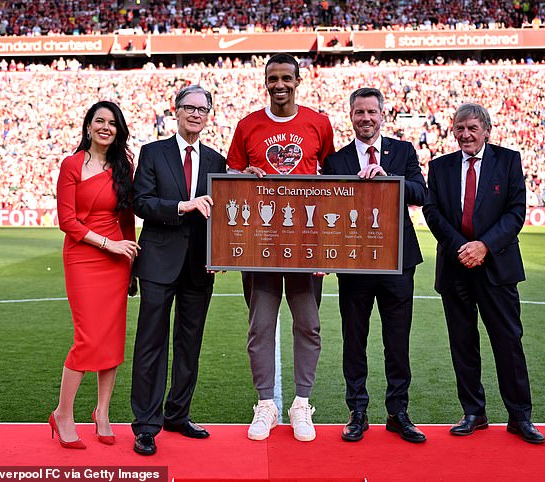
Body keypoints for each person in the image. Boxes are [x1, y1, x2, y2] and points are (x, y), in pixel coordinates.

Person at [227, 53, 335, 442]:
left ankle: (301, 402)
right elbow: (231, 178)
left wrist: (328, 248)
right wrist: (243, 174)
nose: (279, 85)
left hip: (306, 242)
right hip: (261, 243)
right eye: (273, 78)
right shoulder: (247, 126)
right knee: (260, 327)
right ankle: (265, 404)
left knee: (308, 324)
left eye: (286, 77)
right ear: (265, 81)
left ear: (298, 80)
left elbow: (333, 183)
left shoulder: (318, 123)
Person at [423, 103, 545, 444]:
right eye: (459, 128)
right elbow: (432, 212)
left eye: (472, 128)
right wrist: (461, 247)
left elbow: (515, 212)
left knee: (508, 343)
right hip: (455, 266)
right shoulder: (440, 166)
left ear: (486, 130)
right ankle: (473, 412)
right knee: (463, 344)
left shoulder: (508, 161)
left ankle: (520, 417)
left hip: (497, 268)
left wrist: (484, 247)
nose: (465, 135)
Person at [322, 88, 427, 443]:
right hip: (354, 263)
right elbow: (326, 211)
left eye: (371, 112)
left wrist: (390, 180)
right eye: (359, 113)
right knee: (355, 339)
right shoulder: (336, 161)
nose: (365, 118)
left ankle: (398, 412)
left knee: (397, 341)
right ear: (350, 116)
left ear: (382, 114)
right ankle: (358, 411)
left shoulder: (403, 151)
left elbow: (421, 193)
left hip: (397, 261)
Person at [130, 85, 226, 456]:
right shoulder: (153, 152)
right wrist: (183, 206)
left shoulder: (217, 161)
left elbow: (227, 212)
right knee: (151, 344)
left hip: (200, 266)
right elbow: (142, 202)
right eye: (189, 107)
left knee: (190, 345)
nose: (196, 114)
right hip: (158, 262)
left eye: (203, 109)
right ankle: (146, 425)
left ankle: (177, 414)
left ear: (209, 115)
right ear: (176, 111)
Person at [52, 101, 138, 449]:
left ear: (119, 131)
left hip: (117, 262)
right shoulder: (71, 164)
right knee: (88, 338)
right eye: (99, 121)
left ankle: (102, 413)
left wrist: (129, 260)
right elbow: (67, 222)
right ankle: (63, 413)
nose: (105, 127)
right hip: (84, 257)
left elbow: (128, 220)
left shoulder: (124, 166)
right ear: (88, 126)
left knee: (113, 337)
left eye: (112, 123)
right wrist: (110, 245)